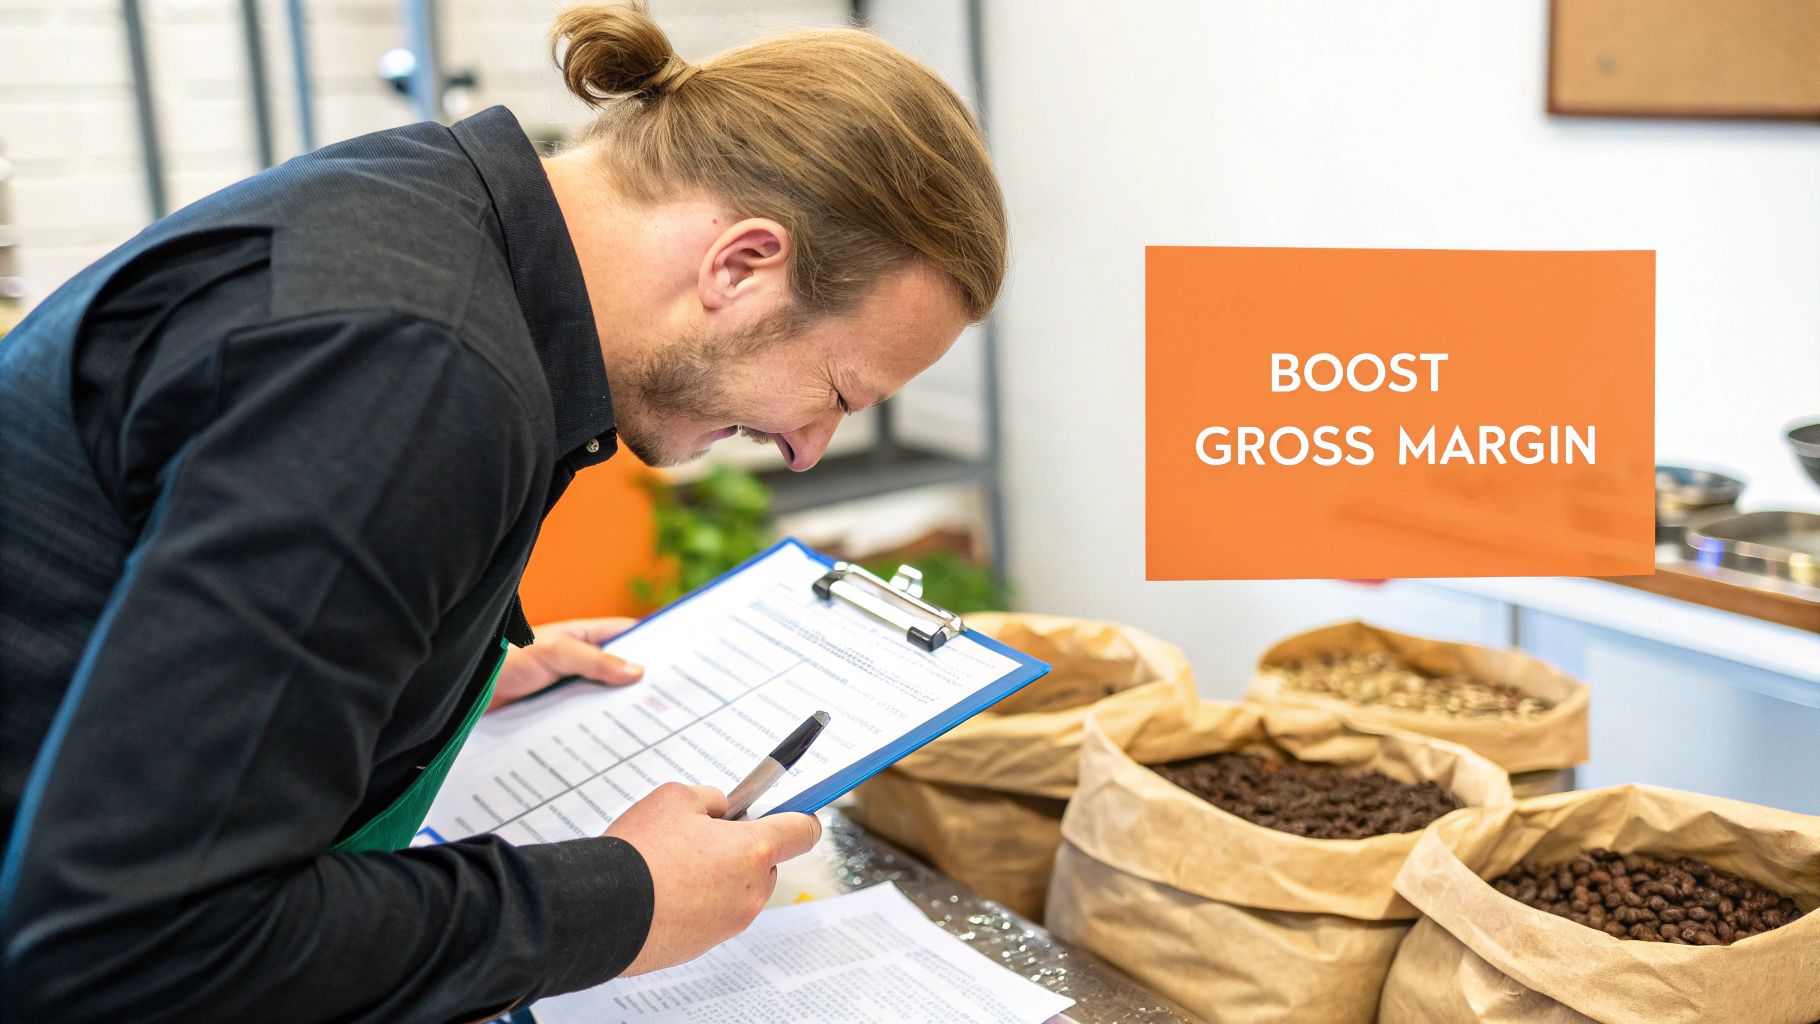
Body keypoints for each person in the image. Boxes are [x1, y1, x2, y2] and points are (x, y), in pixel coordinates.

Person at [0, 3, 1006, 1020]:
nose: (806, 449)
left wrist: (417, 675)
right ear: (739, 264)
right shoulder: (414, 374)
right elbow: (132, 946)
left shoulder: (428, 213)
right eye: (835, 393)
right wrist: (619, 898)